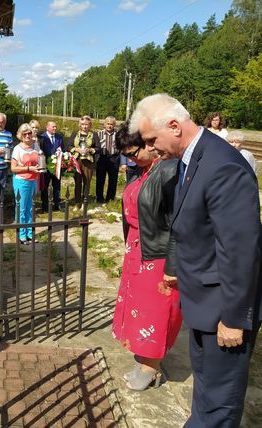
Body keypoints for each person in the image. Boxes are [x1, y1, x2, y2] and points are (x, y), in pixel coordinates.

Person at [130, 93, 261, 427]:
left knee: (220, 404)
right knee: (205, 392)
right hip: (203, 303)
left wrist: (235, 318)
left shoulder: (223, 165)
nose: (149, 147)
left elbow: (240, 249)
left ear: (174, 126)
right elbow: (194, 227)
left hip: (224, 311)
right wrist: (177, 272)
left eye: (150, 139)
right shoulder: (191, 158)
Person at [111, 121, 182, 390]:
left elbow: (178, 221)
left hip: (158, 251)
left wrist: (173, 263)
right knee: (138, 305)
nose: (130, 159)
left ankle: (151, 366)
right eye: (126, 155)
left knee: (156, 308)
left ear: (150, 144)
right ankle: (145, 355)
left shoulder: (168, 170)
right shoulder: (144, 169)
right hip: (138, 248)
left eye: (133, 153)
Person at [11, 123, 40, 244]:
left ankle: (30, 233)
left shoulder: (36, 146)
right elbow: (13, 168)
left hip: (34, 180)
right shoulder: (17, 149)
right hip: (21, 181)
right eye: (25, 134)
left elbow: (40, 159)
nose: (28, 135)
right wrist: (29, 169)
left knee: (31, 208)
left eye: (29, 133)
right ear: (21, 136)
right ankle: (21, 234)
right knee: (21, 208)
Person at [69, 115, 101, 208]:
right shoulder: (75, 133)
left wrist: (90, 150)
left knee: (87, 182)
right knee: (77, 181)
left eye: (87, 124)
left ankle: (85, 202)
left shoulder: (94, 134)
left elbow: (98, 148)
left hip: (88, 162)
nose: (85, 126)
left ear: (90, 125)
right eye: (83, 124)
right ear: (80, 125)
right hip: (77, 160)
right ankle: (77, 202)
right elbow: (68, 146)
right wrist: (76, 149)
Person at [39, 121, 66, 212]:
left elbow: (63, 149)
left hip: (57, 167)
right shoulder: (42, 137)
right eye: (53, 127)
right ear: (47, 127)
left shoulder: (59, 137)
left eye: (56, 127)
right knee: (45, 187)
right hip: (45, 166)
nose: (55, 128)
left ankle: (57, 204)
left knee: (57, 186)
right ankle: (45, 206)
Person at [96, 116, 120, 203]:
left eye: (111, 124)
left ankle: (110, 198)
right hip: (102, 158)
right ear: (104, 124)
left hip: (114, 158)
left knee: (113, 179)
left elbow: (121, 146)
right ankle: (99, 198)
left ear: (114, 125)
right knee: (100, 179)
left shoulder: (118, 135)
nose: (109, 126)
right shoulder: (99, 134)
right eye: (108, 124)